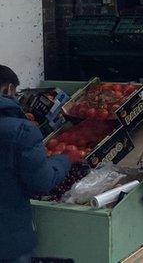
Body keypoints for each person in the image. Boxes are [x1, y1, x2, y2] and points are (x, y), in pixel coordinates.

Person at [0, 65, 70, 263]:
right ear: (9, 89)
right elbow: (42, 182)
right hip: (8, 242)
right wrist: (65, 160)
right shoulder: (20, 131)